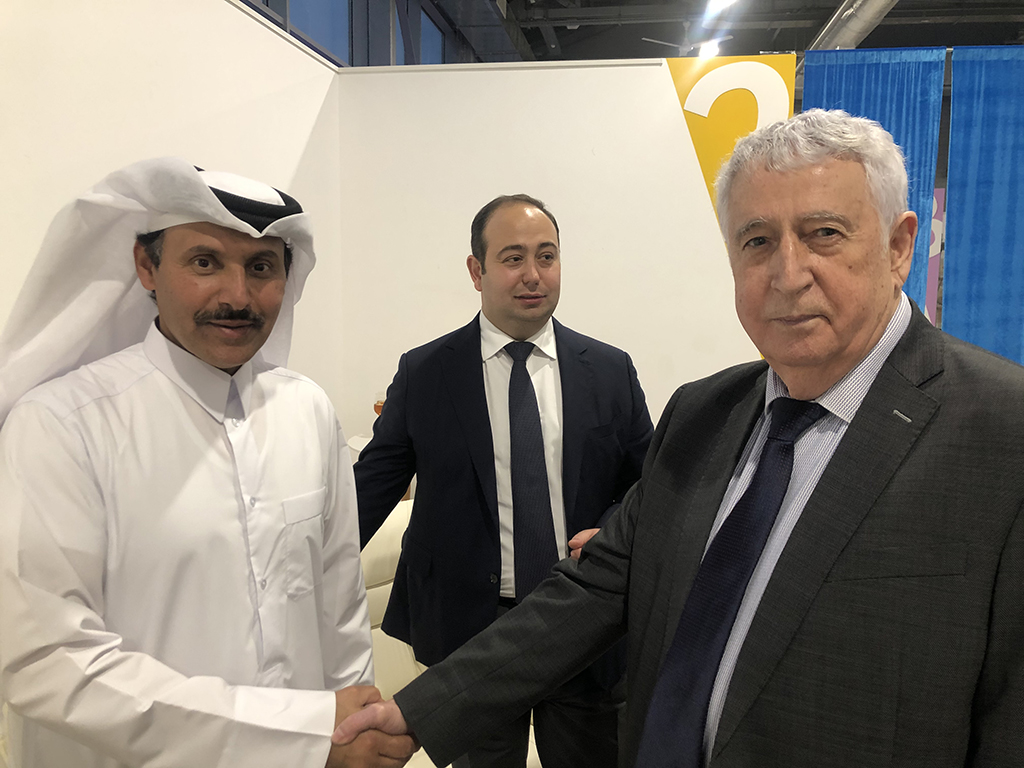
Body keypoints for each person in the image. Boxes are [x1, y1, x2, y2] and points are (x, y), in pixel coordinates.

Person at [335, 110, 1024, 768]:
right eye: (757, 241)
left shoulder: (1002, 434)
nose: (788, 274)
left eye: (824, 234)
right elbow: (594, 592)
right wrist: (416, 714)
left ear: (899, 246)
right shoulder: (703, 415)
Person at [0, 159, 415, 768]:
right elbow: (50, 661)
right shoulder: (60, 426)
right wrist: (297, 737)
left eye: (261, 267)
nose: (237, 296)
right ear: (146, 267)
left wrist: (353, 730)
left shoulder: (307, 410)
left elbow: (339, 607)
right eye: (204, 262)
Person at [354, 194, 654, 767]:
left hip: (580, 617)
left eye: (547, 256)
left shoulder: (609, 369)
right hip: (471, 628)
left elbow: (650, 485)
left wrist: (612, 531)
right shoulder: (427, 372)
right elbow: (370, 491)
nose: (533, 275)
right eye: (513, 258)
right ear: (477, 270)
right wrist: (298, 581)